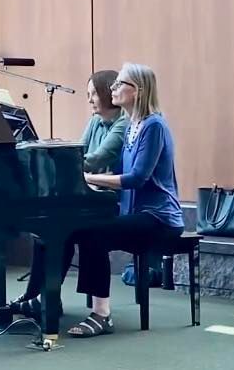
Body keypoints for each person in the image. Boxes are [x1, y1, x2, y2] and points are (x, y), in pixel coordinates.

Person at [67, 62, 184, 338]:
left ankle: (101, 315)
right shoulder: (132, 125)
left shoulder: (154, 125)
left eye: (120, 84)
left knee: (94, 235)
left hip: (160, 217)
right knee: (84, 231)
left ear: (138, 91)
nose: (113, 88)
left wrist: (89, 179)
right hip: (136, 213)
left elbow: (136, 178)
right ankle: (96, 308)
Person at [9, 70, 127, 318]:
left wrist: (59, 162)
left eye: (93, 93)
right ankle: (40, 296)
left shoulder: (122, 123)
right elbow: (79, 151)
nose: (90, 99)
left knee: (60, 229)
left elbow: (94, 159)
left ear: (107, 93)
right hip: (89, 194)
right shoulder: (95, 121)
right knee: (46, 227)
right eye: (88, 94)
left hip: (111, 199)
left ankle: (46, 298)